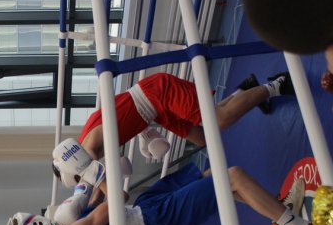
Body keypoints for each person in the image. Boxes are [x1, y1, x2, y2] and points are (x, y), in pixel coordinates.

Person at [4, 163, 331, 225]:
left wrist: (87, 186)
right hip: (155, 219)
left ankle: (280, 208)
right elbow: (116, 199)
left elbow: (106, 205)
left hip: (147, 210)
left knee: (212, 179)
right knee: (232, 177)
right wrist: (92, 173)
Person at [77, 71, 294, 161]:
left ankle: (277, 84)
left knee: (218, 120)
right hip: (154, 111)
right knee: (204, 137)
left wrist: (90, 192)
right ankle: (245, 91)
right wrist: (145, 134)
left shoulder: (88, 145)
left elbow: (97, 149)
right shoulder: (86, 144)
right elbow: (121, 116)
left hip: (156, 94)